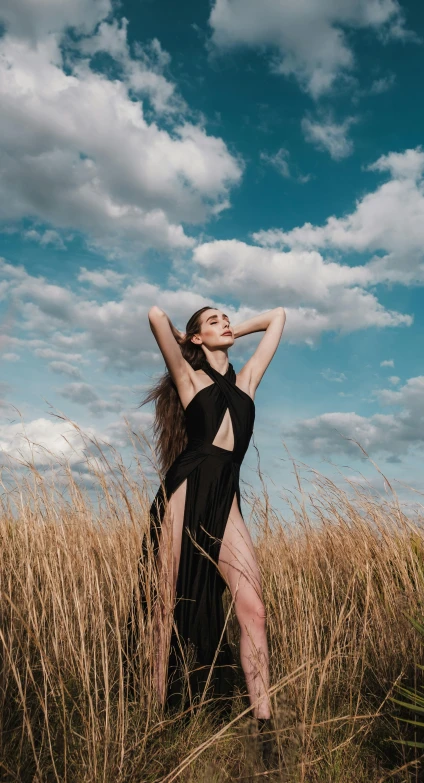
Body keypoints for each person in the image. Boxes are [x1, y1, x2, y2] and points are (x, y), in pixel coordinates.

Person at [129, 304, 285, 758]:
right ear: (197, 339)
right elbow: (155, 314)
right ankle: (154, 720)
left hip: (226, 498)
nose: (226, 324)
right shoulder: (189, 379)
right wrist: (182, 337)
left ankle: (264, 730)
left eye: (226, 319)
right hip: (185, 489)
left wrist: (234, 326)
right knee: (163, 607)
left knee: (253, 608)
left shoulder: (247, 382)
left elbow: (277, 317)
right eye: (214, 321)